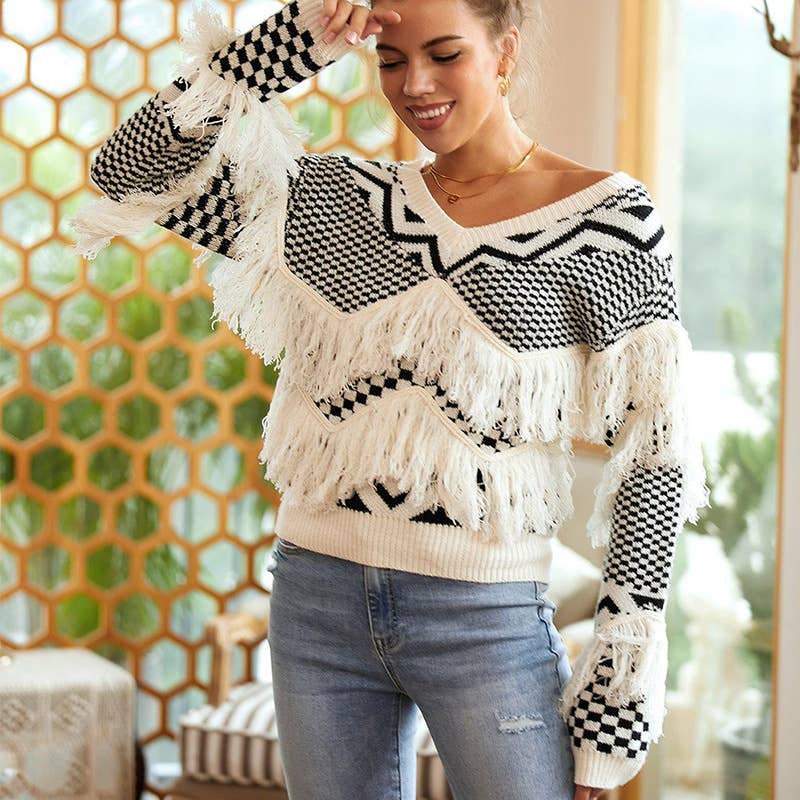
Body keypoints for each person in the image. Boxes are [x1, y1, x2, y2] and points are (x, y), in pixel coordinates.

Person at [70, 0, 711, 798]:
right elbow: (127, 170)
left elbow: (656, 454)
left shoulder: (609, 221)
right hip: (317, 604)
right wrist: (294, 38)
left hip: (486, 620)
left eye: (446, 54)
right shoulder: (337, 203)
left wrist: (617, 692)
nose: (417, 86)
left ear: (505, 50)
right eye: (393, 60)